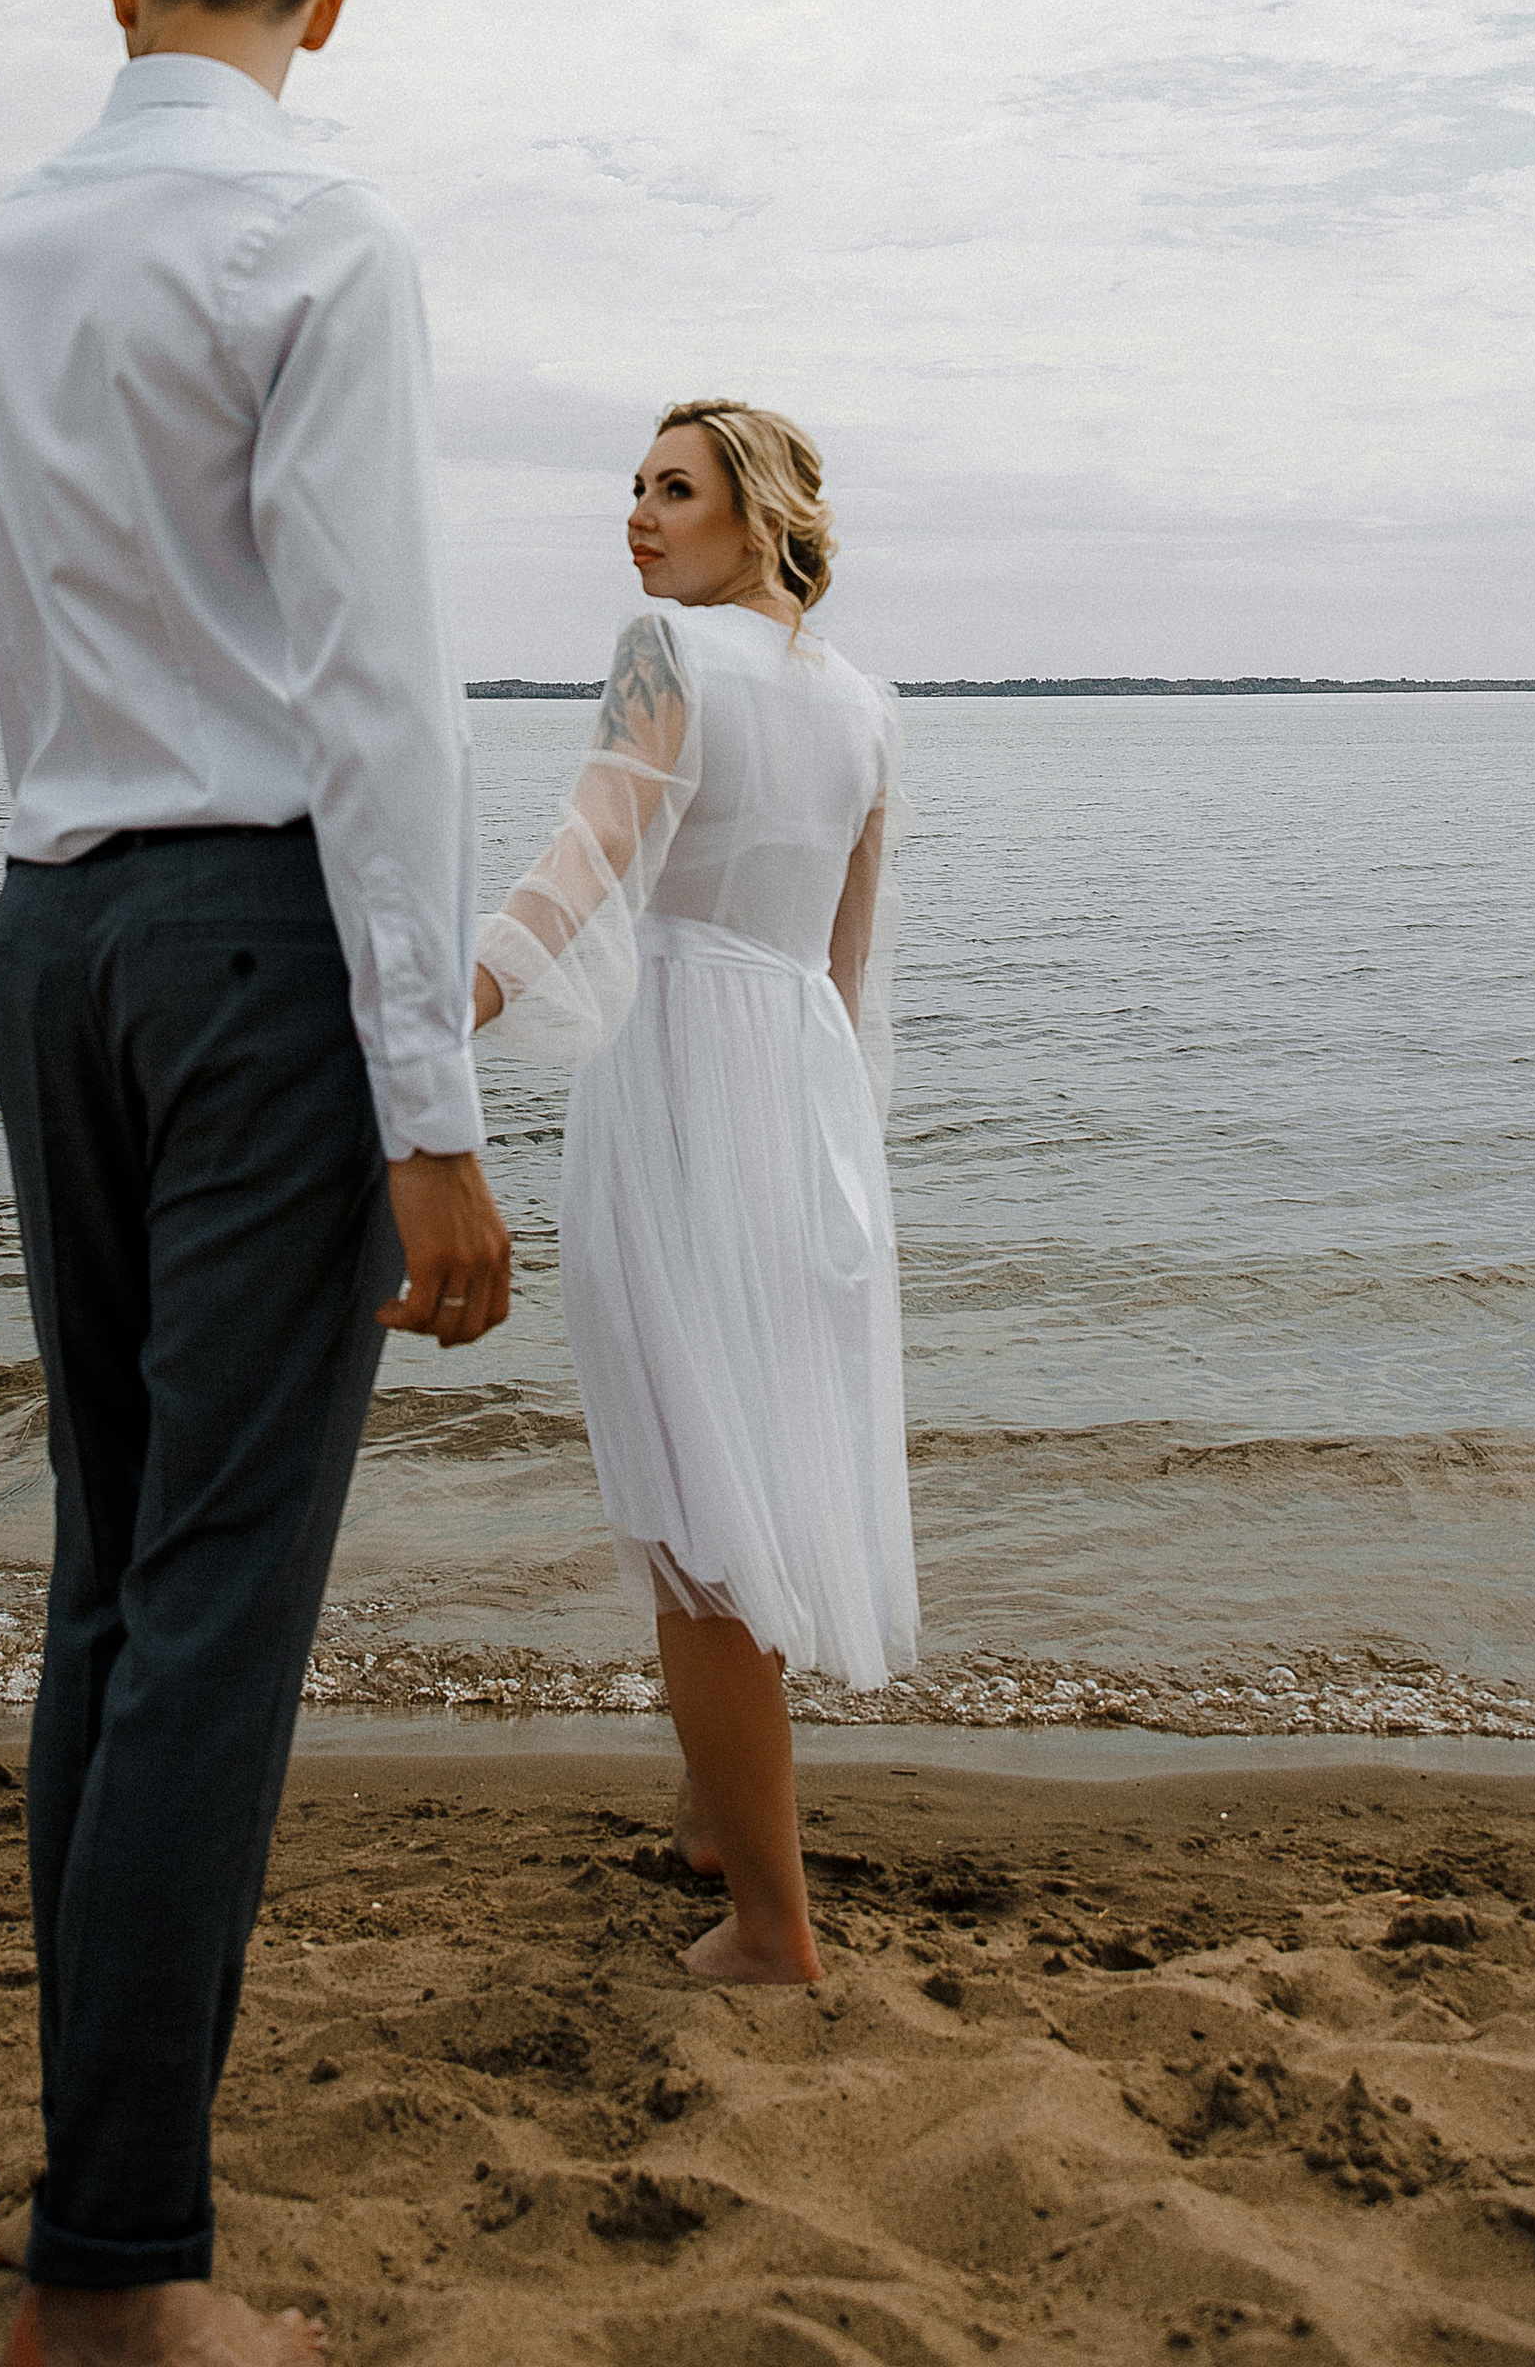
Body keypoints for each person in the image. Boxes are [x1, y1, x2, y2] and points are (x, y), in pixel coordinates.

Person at [0, 0, 512, 2367]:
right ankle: (119, 2267)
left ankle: (94, 2176)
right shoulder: (316, 242)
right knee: (215, 1609)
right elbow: (374, 697)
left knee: (111, 1571)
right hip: (259, 935)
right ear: (328, 5)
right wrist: (438, 1112)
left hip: (51, 930)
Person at [472, 401, 915, 1987]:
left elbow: (579, 865)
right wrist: (836, 1163)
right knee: (749, 1458)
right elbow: (844, 975)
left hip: (673, 1081)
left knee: (690, 1509)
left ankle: (772, 1932)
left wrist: (434, 1009)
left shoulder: (664, 654)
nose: (643, 519)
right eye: (638, 490)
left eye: (678, 489)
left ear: (762, 514)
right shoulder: (864, 705)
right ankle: (718, 1820)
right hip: (795, 1100)